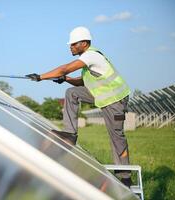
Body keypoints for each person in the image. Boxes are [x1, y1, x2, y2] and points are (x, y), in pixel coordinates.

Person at [26, 26, 132, 187]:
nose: (71, 46)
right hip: (103, 96)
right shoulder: (88, 58)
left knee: (117, 138)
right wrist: (66, 79)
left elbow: (64, 68)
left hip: (115, 100)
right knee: (72, 92)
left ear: (84, 43)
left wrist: (41, 77)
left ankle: (125, 178)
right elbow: (82, 82)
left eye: (74, 44)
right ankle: (70, 134)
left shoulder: (91, 56)